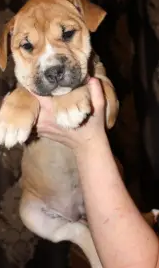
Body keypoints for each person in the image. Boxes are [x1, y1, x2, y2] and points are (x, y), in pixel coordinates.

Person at [34, 77, 159, 268]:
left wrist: (88, 142)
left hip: (89, 197)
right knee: (29, 212)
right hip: (50, 197)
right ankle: (80, 232)